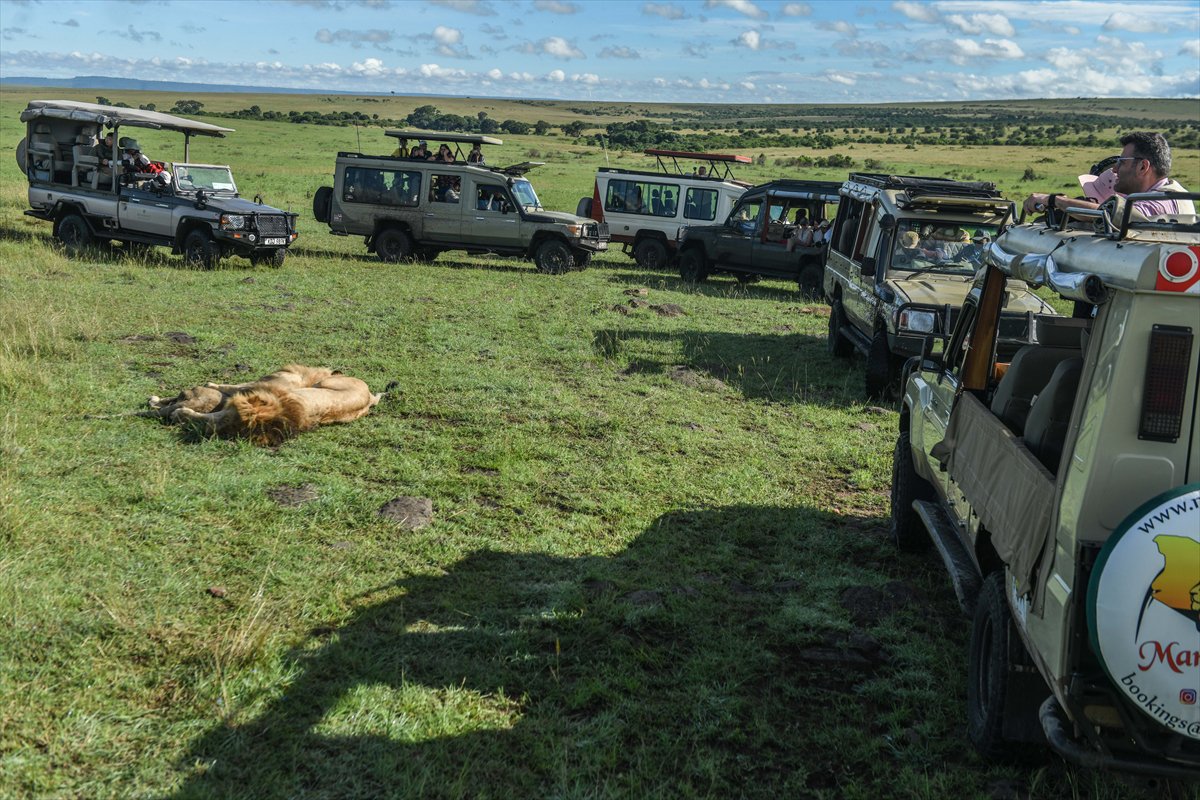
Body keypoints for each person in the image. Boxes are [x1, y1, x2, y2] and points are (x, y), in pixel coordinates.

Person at [1024, 132, 1194, 219]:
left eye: (1122, 162)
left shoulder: (1159, 203)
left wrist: (1053, 200)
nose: (1115, 169)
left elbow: (1109, 215)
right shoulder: (1172, 193)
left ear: (1143, 167)